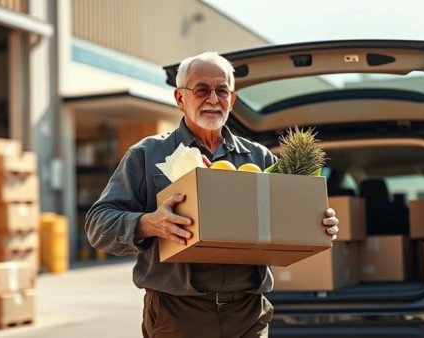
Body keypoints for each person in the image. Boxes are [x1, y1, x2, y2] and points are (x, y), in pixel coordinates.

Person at [85, 51, 339, 338]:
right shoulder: (147, 154)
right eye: (202, 90)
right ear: (180, 98)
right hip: (177, 315)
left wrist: (317, 222)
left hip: (247, 314)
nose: (213, 99)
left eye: (222, 91)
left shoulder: (260, 156)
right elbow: (98, 225)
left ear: (232, 99)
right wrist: (149, 223)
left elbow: (283, 221)